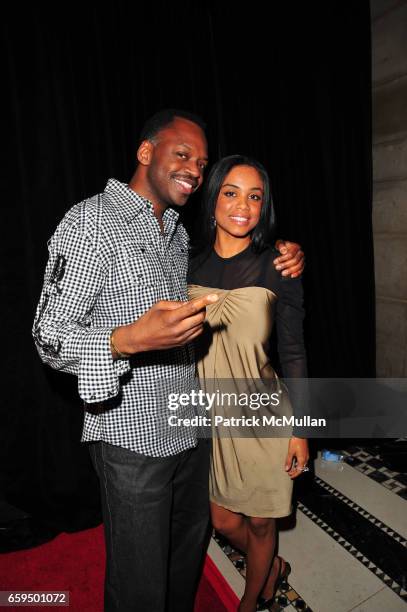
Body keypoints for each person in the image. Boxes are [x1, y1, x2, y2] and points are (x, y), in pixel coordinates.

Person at [32, 110, 304, 612]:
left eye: (201, 164)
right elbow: (49, 337)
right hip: (132, 440)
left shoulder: (178, 237)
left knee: (183, 563)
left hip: (193, 430)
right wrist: (127, 340)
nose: (194, 171)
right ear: (145, 152)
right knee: (139, 585)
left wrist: (287, 252)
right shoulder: (90, 222)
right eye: (182, 155)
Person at [188, 155, 309, 612]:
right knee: (222, 519)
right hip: (216, 419)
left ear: (265, 205)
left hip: (267, 417)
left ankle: (250, 600)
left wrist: (301, 430)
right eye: (231, 192)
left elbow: (294, 354)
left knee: (261, 524)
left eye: (255, 196)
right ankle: (272, 567)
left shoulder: (277, 265)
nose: (243, 205)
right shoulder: (186, 263)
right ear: (213, 198)